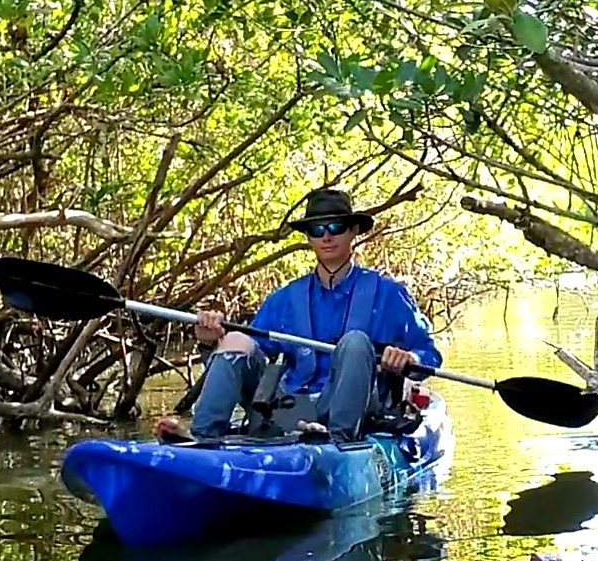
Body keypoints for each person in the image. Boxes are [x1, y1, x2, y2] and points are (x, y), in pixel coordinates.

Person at [160, 188, 442, 441]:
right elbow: (248, 357)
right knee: (236, 338)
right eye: (317, 230)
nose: (327, 236)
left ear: (354, 230)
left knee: (356, 341)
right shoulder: (284, 299)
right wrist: (211, 343)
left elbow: (429, 355)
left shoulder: (389, 294)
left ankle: (337, 442)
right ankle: (202, 437)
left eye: (336, 226)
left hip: (356, 412)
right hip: (286, 410)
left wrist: (410, 359)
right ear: (308, 238)